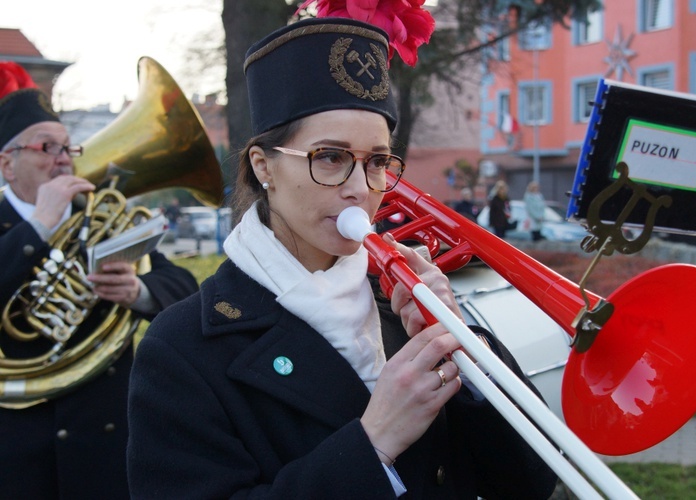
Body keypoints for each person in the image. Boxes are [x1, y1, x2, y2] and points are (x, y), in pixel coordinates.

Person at [127, 15, 557, 499]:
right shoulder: (182, 346)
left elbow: (532, 481)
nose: (360, 189)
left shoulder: (400, 300)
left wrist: (462, 348)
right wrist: (372, 447)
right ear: (264, 166)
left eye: (377, 161)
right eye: (330, 157)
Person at [0, 62, 199, 499]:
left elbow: (186, 288)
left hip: (104, 438)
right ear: (8, 164)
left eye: (68, 149)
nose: (63, 159)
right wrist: (37, 228)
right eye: (46, 147)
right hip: (17, 445)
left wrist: (140, 292)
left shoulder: (100, 215)